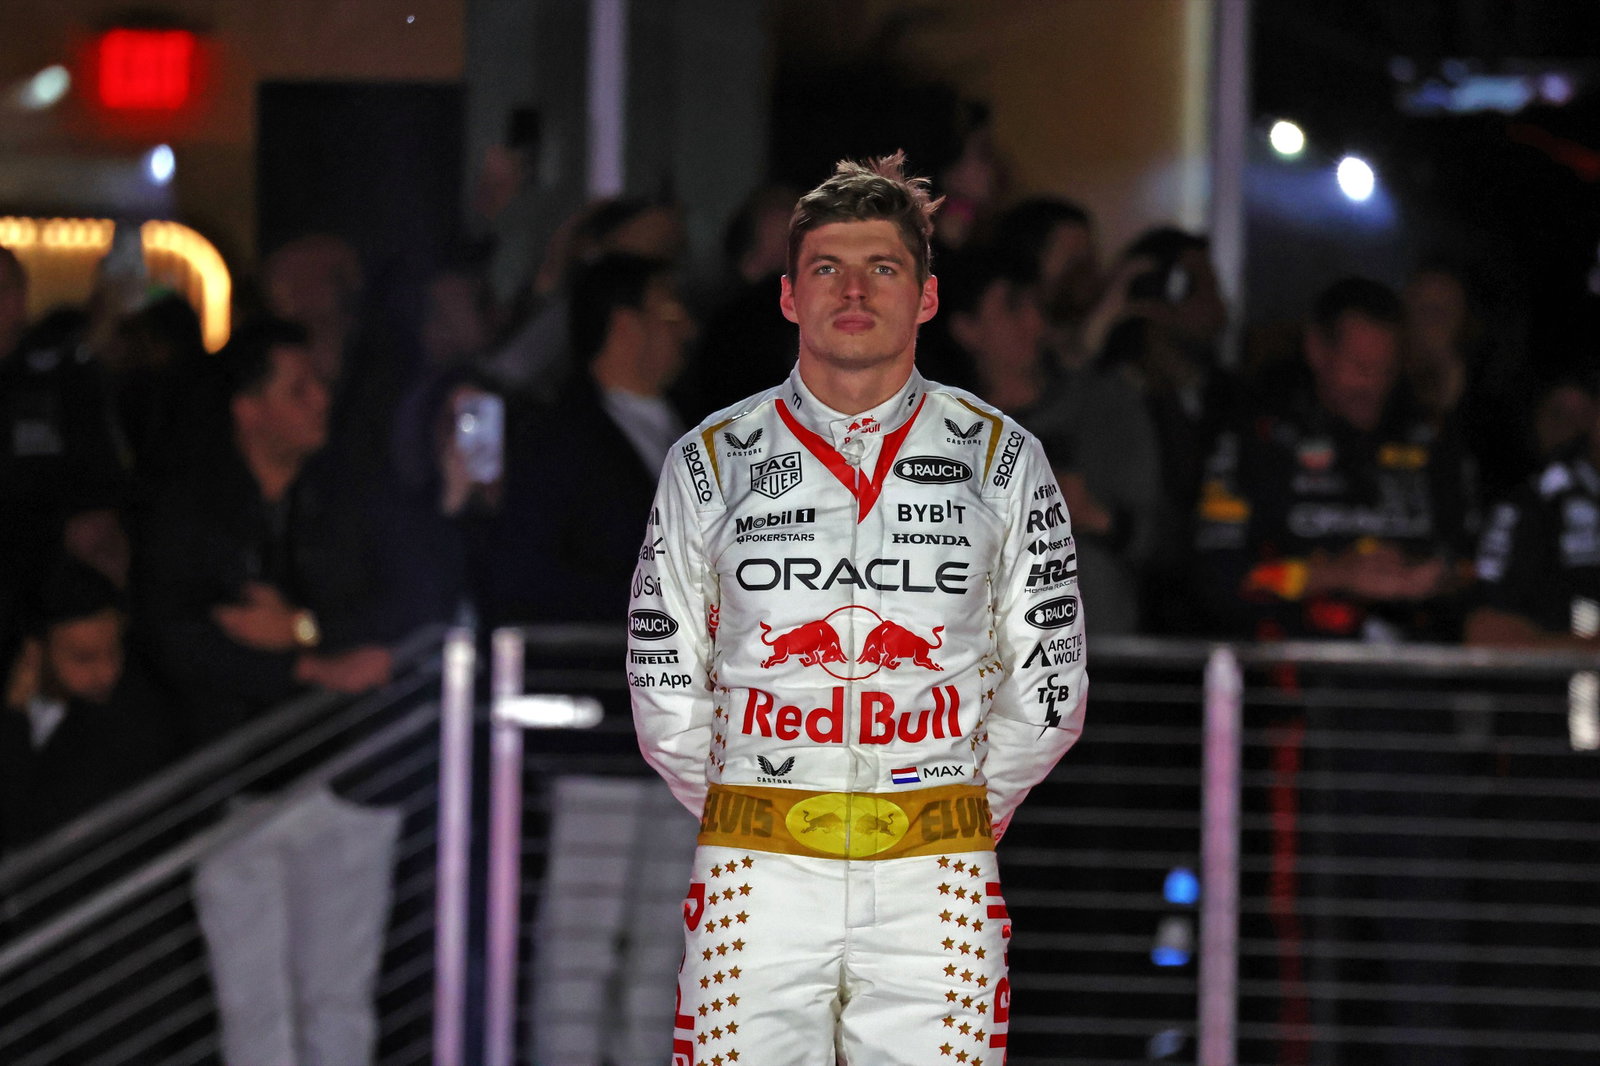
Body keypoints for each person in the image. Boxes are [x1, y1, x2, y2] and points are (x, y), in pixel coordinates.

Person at [628, 152, 1086, 1064]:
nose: (853, 291)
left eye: (883, 267)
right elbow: (663, 682)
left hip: (936, 877)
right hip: (757, 871)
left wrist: (948, 805)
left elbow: (1050, 688)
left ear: (927, 297)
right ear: (788, 296)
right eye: (827, 268)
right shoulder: (710, 460)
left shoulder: (1002, 458)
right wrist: (757, 803)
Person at [134, 318, 395, 745]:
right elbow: (175, 636)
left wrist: (302, 628)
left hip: (331, 745)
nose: (321, 399)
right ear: (248, 409)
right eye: (298, 391)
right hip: (221, 753)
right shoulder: (188, 508)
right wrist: (305, 667)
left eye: (319, 383)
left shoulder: (345, 497)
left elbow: (393, 602)